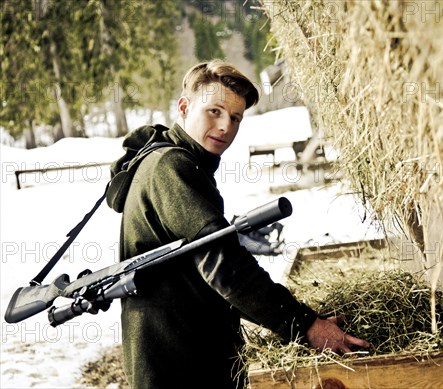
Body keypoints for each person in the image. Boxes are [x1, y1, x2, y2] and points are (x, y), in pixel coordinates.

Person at [108, 60, 369, 389]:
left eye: (235, 118)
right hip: (178, 365)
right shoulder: (171, 167)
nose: (225, 127)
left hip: (183, 356)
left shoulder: (181, 163)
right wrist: (305, 325)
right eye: (214, 111)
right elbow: (225, 268)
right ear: (184, 107)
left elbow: (198, 256)